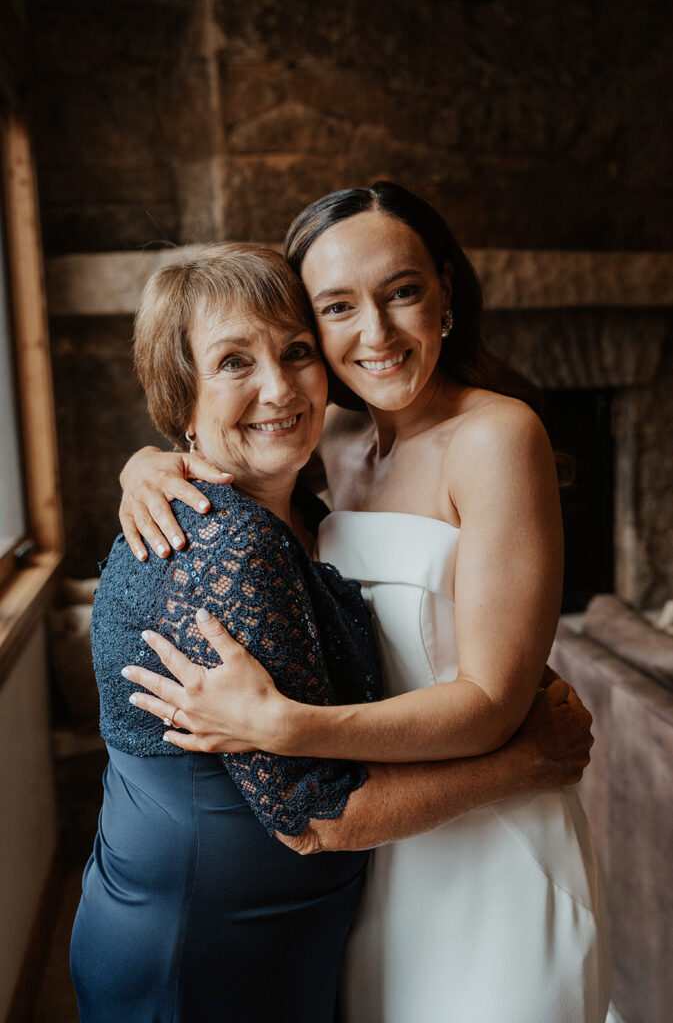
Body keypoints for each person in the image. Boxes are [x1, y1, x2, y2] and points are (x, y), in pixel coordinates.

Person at [118, 183, 609, 1023]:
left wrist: (288, 727)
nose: (374, 334)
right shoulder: (330, 440)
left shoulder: (498, 436)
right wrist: (144, 463)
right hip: (376, 850)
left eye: (402, 293)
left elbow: (490, 704)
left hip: (486, 836)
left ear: (445, 291)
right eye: (336, 307)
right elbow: (228, 469)